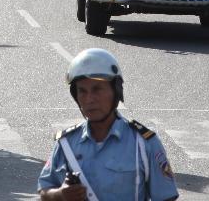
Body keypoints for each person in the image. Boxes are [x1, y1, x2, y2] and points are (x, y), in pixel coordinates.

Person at [39, 48, 178, 201]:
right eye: (82, 91)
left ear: (115, 91)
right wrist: (60, 195)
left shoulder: (144, 143)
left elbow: (166, 197)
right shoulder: (66, 144)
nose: (89, 99)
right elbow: (44, 191)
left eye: (97, 89)